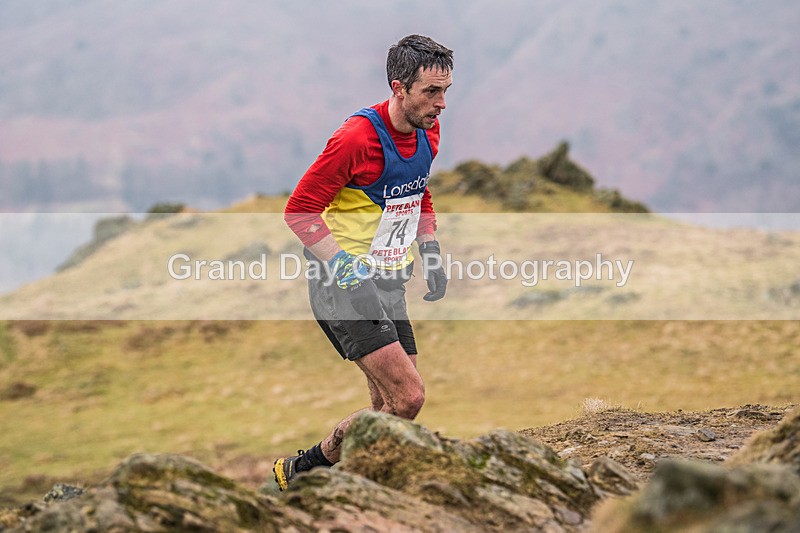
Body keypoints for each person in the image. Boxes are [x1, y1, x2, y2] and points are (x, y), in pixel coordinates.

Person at [275, 34, 453, 490]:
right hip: (343, 284)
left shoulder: (428, 128)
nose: (442, 104)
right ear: (399, 88)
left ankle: (317, 480)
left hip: (387, 281)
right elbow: (300, 210)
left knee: (391, 408)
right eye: (431, 92)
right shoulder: (356, 138)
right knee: (409, 397)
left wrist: (429, 248)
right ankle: (311, 470)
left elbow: (419, 190)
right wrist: (346, 269)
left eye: (446, 91)